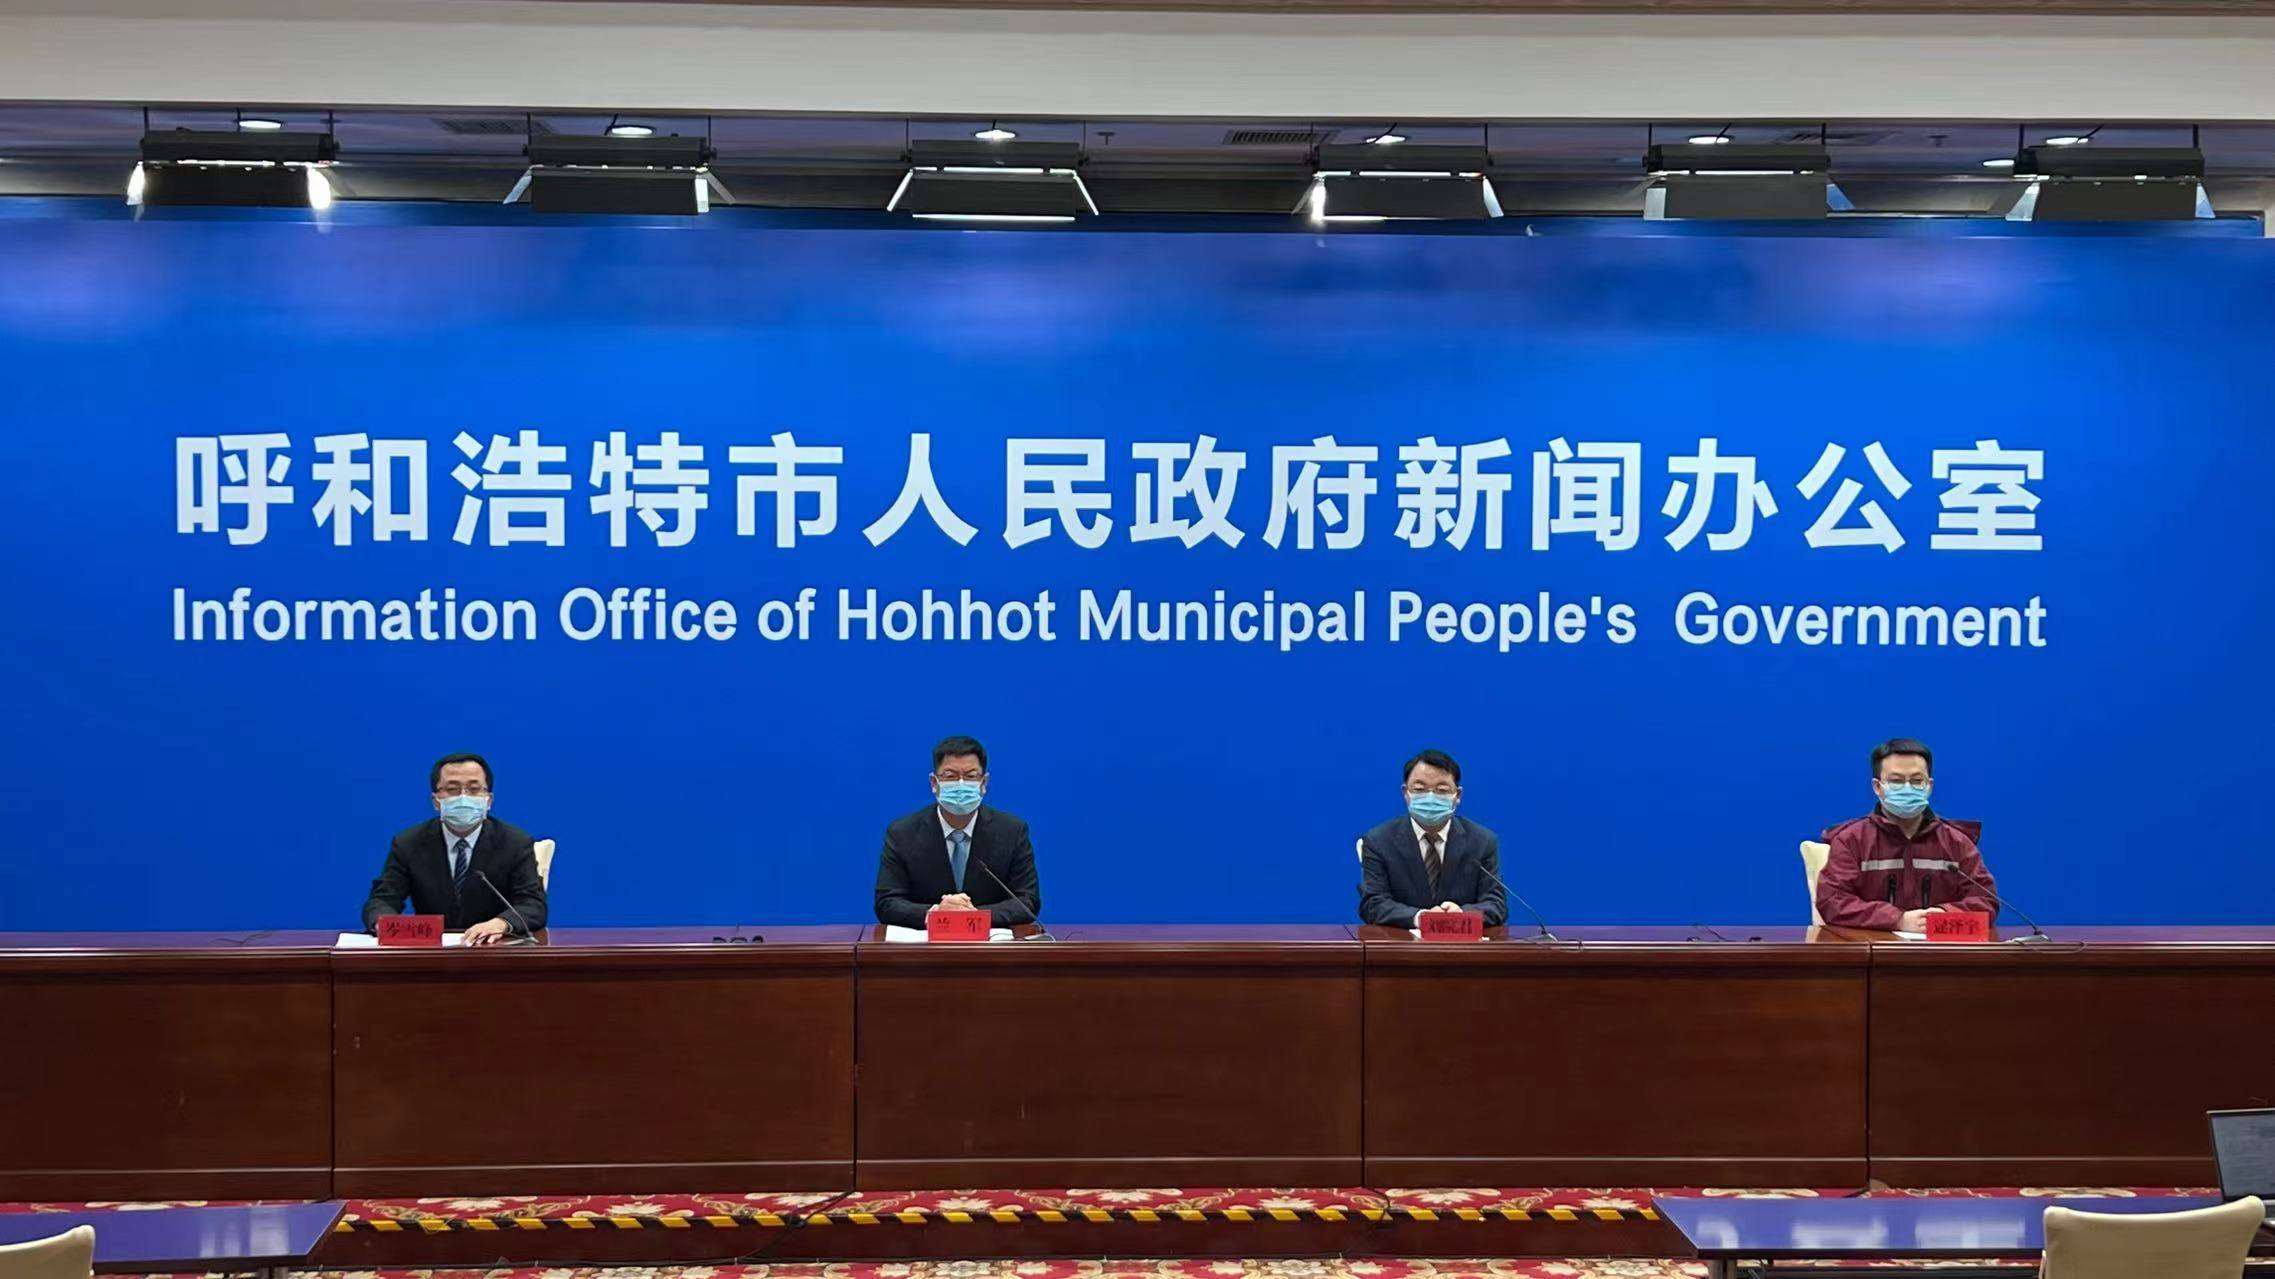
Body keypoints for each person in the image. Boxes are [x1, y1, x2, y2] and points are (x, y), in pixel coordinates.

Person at [361, 752, 549, 945]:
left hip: (494, 949)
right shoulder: (409, 843)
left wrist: (501, 923)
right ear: (436, 801)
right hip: (431, 953)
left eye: (474, 789)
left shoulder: (515, 842)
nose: (463, 797)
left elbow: (533, 904)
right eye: (452, 789)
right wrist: (384, 924)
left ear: (489, 800)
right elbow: (382, 900)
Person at [1816, 737, 1999, 932]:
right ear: (1877, 787)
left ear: (1929, 786)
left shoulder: (1957, 842)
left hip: (1939, 946)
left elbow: (1986, 902)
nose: (1907, 788)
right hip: (1873, 947)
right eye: (1896, 781)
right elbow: (1832, 902)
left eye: (1917, 781)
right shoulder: (1851, 840)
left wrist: (1944, 915)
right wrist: (1897, 920)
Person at [874, 734, 1041, 929]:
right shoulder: (902, 833)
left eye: (970, 776)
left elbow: (1028, 900)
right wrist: (936, 913)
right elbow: (886, 903)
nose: (961, 784)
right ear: (934, 783)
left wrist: (974, 916)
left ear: (984, 783)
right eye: (950, 776)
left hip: (991, 943)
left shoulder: (1012, 831)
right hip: (925, 945)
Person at [1358, 748, 1508, 928]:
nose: (1430, 797)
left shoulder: (1482, 841)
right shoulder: (1379, 841)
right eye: (1419, 789)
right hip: (1401, 942)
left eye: (1441, 790)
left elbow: (1495, 904)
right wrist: (1420, 917)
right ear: (1406, 793)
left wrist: (1462, 915)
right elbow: (1372, 903)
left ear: (1457, 795)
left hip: (1462, 942)